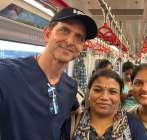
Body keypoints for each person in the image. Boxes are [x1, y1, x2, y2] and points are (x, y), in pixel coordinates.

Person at [0, 7, 97, 140]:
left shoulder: (70, 87)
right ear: (47, 34)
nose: (69, 41)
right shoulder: (6, 74)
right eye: (64, 30)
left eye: (78, 37)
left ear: (82, 48)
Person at [73, 70, 147, 140]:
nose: (104, 97)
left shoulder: (134, 126)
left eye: (112, 92)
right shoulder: (72, 124)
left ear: (120, 96)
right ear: (89, 93)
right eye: (97, 90)